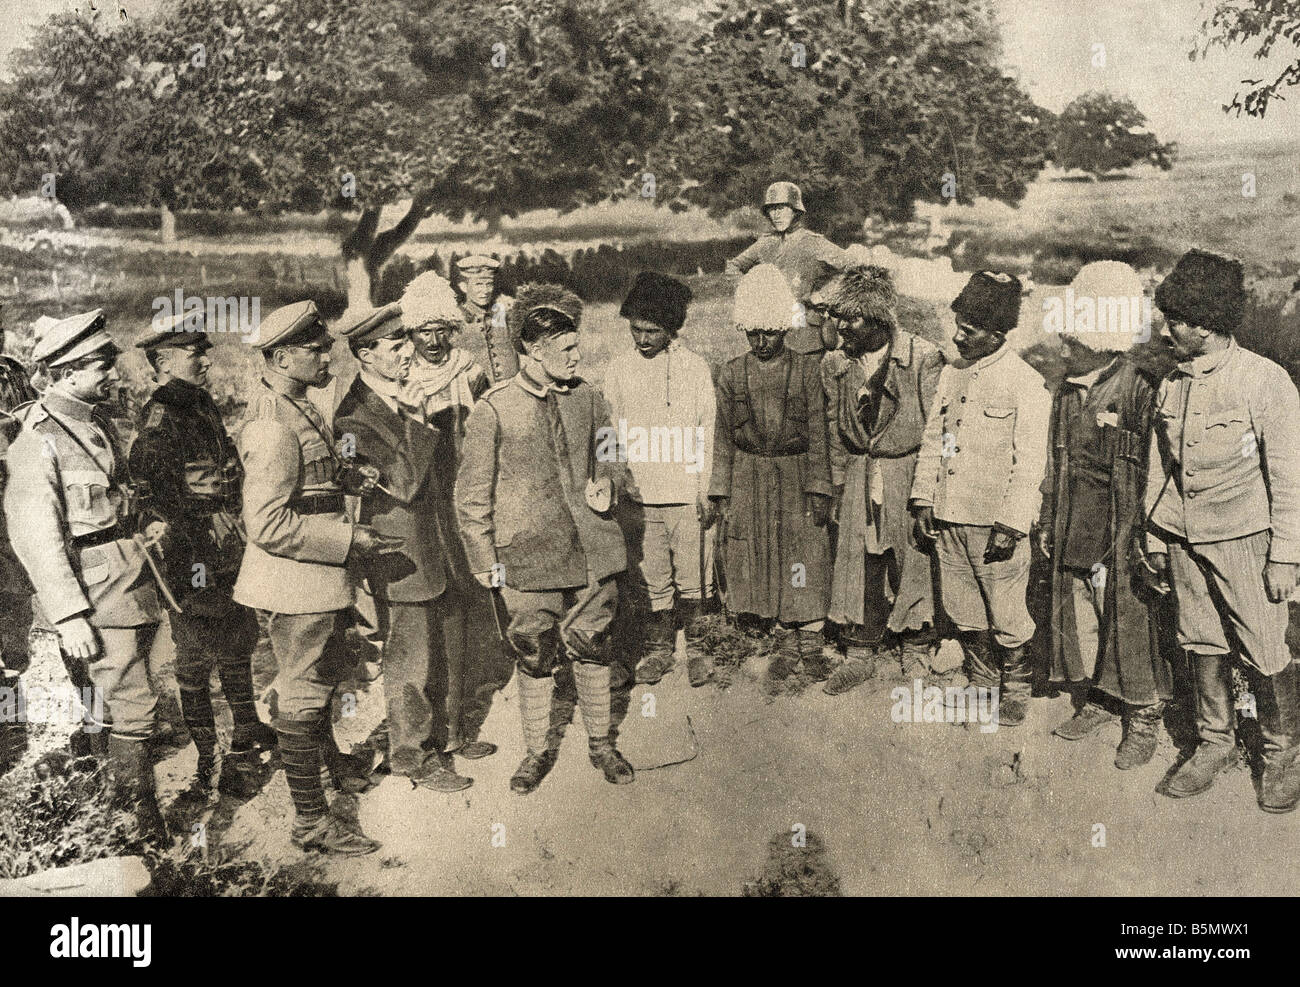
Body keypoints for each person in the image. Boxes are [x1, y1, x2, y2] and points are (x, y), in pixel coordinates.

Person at [455, 282, 635, 795]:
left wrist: (608, 479)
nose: (577, 356)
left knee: (593, 642)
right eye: (567, 349)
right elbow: (471, 497)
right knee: (533, 650)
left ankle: (602, 744)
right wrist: (483, 557)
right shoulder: (494, 409)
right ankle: (536, 752)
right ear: (533, 350)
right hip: (527, 557)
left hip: (591, 549)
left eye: (576, 346)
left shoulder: (589, 398)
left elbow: (612, 453)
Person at [232, 300, 395, 854]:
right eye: (315, 348)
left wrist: (348, 477)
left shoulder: (300, 406)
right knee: (301, 694)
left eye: (325, 344)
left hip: (311, 578)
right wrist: (350, 540)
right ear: (281, 357)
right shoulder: (273, 425)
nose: (328, 353)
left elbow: (309, 483)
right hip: (294, 580)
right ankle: (310, 822)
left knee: (319, 679)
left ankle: (334, 768)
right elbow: (267, 523)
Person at [1140, 249, 1300, 810]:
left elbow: (1289, 475)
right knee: (1200, 640)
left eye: (1175, 322)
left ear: (1205, 324)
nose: (1166, 332)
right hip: (1183, 536)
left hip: (1244, 540)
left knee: (1264, 647)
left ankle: (1282, 752)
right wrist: (1158, 537)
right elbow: (1162, 466)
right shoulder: (1172, 383)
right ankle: (1215, 742)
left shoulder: (1264, 382)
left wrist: (1286, 556)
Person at [3, 309, 167, 841]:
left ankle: (104, 806)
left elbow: (114, 499)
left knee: (106, 699)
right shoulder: (38, 440)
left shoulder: (96, 423)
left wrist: (146, 523)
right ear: (67, 372)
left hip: (128, 581)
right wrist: (68, 614)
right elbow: (36, 537)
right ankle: (137, 827)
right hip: (93, 594)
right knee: (133, 706)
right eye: (101, 365)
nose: (112, 373)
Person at [332, 302, 482, 794]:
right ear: (364, 355)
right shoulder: (352, 420)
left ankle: (450, 735)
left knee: (452, 642)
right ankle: (411, 755)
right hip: (401, 554)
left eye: (404, 342)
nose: (407, 352)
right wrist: (418, 418)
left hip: (441, 544)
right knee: (411, 658)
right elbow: (404, 482)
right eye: (395, 346)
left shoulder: (399, 393)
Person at [129, 315, 276, 799]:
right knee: (195, 658)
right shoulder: (161, 417)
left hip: (223, 543)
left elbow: (226, 462)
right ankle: (212, 764)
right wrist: (195, 542)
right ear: (165, 361)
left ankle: (247, 733)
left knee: (238, 640)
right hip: (189, 554)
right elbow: (154, 499)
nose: (207, 361)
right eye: (195, 355)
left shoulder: (199, 402)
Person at [1039, 262, 1174, 769]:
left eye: (1074, 339)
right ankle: (1100, 694)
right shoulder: (1067, 391)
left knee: (1129, 614)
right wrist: (1051, 519)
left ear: (1101, 337)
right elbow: (1056, 463)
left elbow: (1152, 469)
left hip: (1121, 525)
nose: (1063, 347)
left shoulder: (1140, 386)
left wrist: (1141, 533)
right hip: (1077, 519)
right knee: (1084, 613)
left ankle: (1143, 712)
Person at [910, 271, 1051, 726]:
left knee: (1007, 609)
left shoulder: (1025, 382)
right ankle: (981, 679)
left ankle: (1015, 685)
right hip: (951, 515)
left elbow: (1030, 463)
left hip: (995, 526)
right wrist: (924, 498)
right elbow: (935, 438)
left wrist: (1012, 525)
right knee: (963, 606)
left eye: (969, 330)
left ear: (997, 332)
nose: (958, 336)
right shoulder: (953, 374)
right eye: (958, 325)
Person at [817, 265, 945, 695]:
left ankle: (917, 643)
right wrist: (837, 486)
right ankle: (860, 647)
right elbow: (834, 430)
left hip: (904, 470)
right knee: (858, 557)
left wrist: (926, 491)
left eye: (850, 319)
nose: (840, 327)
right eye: (837, 316)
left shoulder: (922, 358)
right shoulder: (835, 363)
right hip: (857, 470)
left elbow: (935, 431)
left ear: (878, 321)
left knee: (911, 557)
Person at [708, 264, 834, 692]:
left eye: (770, 333)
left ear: (784, 327)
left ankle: (811, 633)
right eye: (753, 334)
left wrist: (820, 487)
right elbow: (723, 438)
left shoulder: (807, 371)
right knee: (762, 546)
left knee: (803, 547)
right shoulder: (730, 373)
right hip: (749, 473)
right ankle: (781, 631)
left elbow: (819, 433)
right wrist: (721, 491)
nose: (761, 342)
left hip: (797, 472)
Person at [602, 272, 716, 687]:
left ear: (672, 330)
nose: (643, 339)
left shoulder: (694, 369)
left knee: (694, 572)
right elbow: (606, 432)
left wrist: (705, 489)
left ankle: (700, 648)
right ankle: (658, 648)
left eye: (653, 331)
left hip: (686, 493)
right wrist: (617, 476)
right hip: (641, 494)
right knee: (652, 574)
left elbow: (708, 431)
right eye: (637, 330)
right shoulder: (618, 371)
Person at [725, 181, 848, 357]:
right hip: (769, 330)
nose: (776, 214)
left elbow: (852, 268)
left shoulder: (813, 242)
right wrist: (751, 291)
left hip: (804, 332)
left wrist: (823, 295)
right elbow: (733, 266)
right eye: (772, 209)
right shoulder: (765, 243)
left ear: (796, 211)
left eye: (782, 208)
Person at [400, 271, 490, 454]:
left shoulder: (470, 371)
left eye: (441, 330)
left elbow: (487, 426)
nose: (434, 341)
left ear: (451, 330)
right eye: (425, 332)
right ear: (410, 334)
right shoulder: (402, 375)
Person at [0, 312, 38, 673]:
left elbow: (32, 426)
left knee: (14, 589)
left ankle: (12, 672)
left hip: (11, 493)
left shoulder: (11, 373)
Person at [454, 254, 517, 384]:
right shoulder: (454, 318)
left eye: (489, 284)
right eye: (478, 284)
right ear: (463, 287)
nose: (485, 290)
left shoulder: (502, 313)